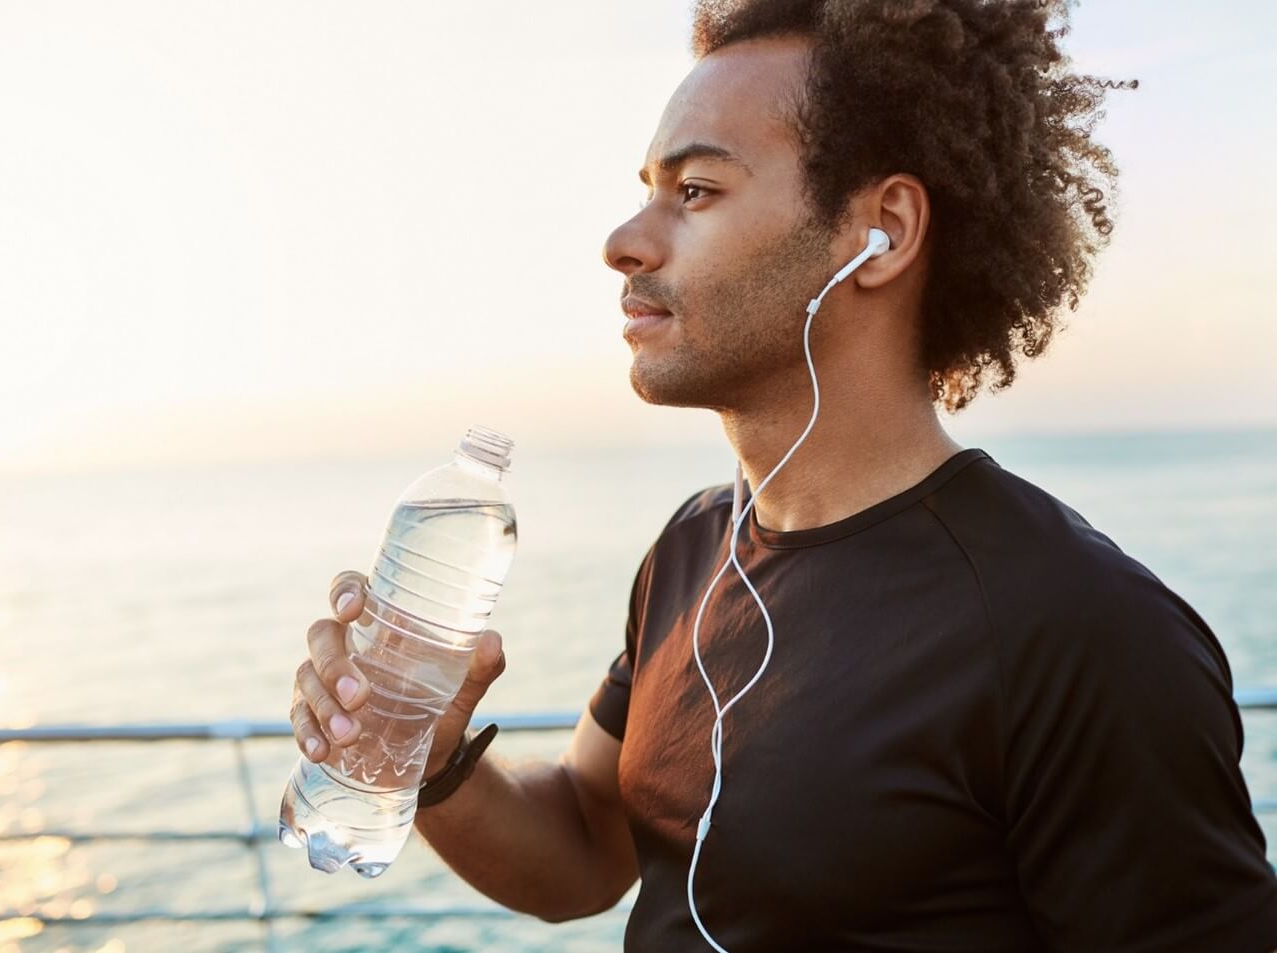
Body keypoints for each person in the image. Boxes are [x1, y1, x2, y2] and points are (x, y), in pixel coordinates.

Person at [290, 0, 1277, 948]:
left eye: (695, 191)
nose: (623, 241)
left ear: (878, 230)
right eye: (645, 190)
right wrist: (426, 758)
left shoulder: (1078, 630)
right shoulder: (691, 545)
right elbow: (587, 846)